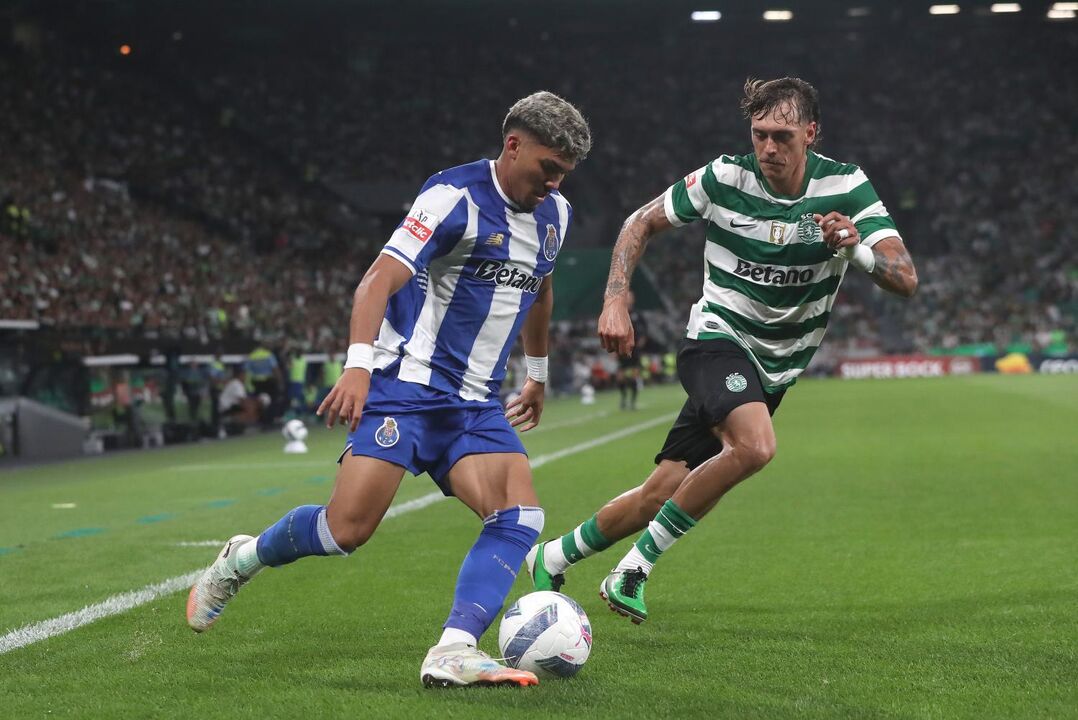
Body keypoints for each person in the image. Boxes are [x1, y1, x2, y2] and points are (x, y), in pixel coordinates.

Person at [185, 91, 592, 688]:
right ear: (513, 145)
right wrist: (356, 366)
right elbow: (377, 280)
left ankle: (454, 648)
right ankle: (241, 560)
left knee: (520, 513)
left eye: (564, 173)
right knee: (344, 531)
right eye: (547, 167)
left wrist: (537, 374)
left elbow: (541, 288)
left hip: (475, 402)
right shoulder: (452, 197)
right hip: (405, 385)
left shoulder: (555, 213)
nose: (553, 183)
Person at [527, 77, 918, 624]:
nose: (768, 148)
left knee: (660, 491)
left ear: (811, 133)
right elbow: (639, 221)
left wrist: (860, 252)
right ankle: (633, 570)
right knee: (755, 448)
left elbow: (905, 277)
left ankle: (551, 556)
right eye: (759, 134)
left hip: (773, 371)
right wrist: (614, 300)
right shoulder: (723, 177)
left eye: (782, 135)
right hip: (717, 340)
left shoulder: (846, 187)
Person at [615, 290, 647, 410]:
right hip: (621, 348)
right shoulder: (618, 313)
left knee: (634, 375)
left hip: (634, 349)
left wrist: (641, 342)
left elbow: (644, 331)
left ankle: (633, 402)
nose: (628, 299)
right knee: (620, 377)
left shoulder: (637, 315)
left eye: (630, 297)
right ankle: (623, 398)